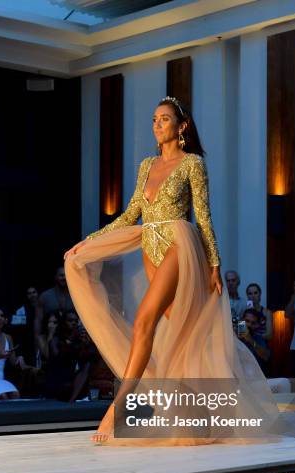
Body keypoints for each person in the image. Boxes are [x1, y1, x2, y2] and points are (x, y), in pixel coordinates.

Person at [64, 96, 280, 445]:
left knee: (143, 321)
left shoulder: (193, 163)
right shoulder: (147, 164)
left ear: (181, 127)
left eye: (164, 119)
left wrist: (213, 263)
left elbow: (203, 216)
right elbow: (128, 214)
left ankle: (119, 408)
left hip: (180, 243)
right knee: (179, 330)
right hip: (149, 243)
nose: (157, 124)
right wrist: (87, 242)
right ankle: (201, 410)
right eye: (154, 119)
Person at [34, 268, 74, 339]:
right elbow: (38, 321)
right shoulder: (45, 296)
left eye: (66, 275)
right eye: (61, 275)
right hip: (50, 340)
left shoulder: (75, 296)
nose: (64, 278)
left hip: (71, 341)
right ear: (55, 277)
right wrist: (39, 343)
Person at [237, 309, 271, 376]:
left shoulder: (258, 338)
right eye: (247, 321)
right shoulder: (232, 334)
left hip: (254, 376)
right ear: (241, 321)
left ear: (257, 325)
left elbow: (266, 356)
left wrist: (251, 340)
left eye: (253, 323)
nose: (249, 325)